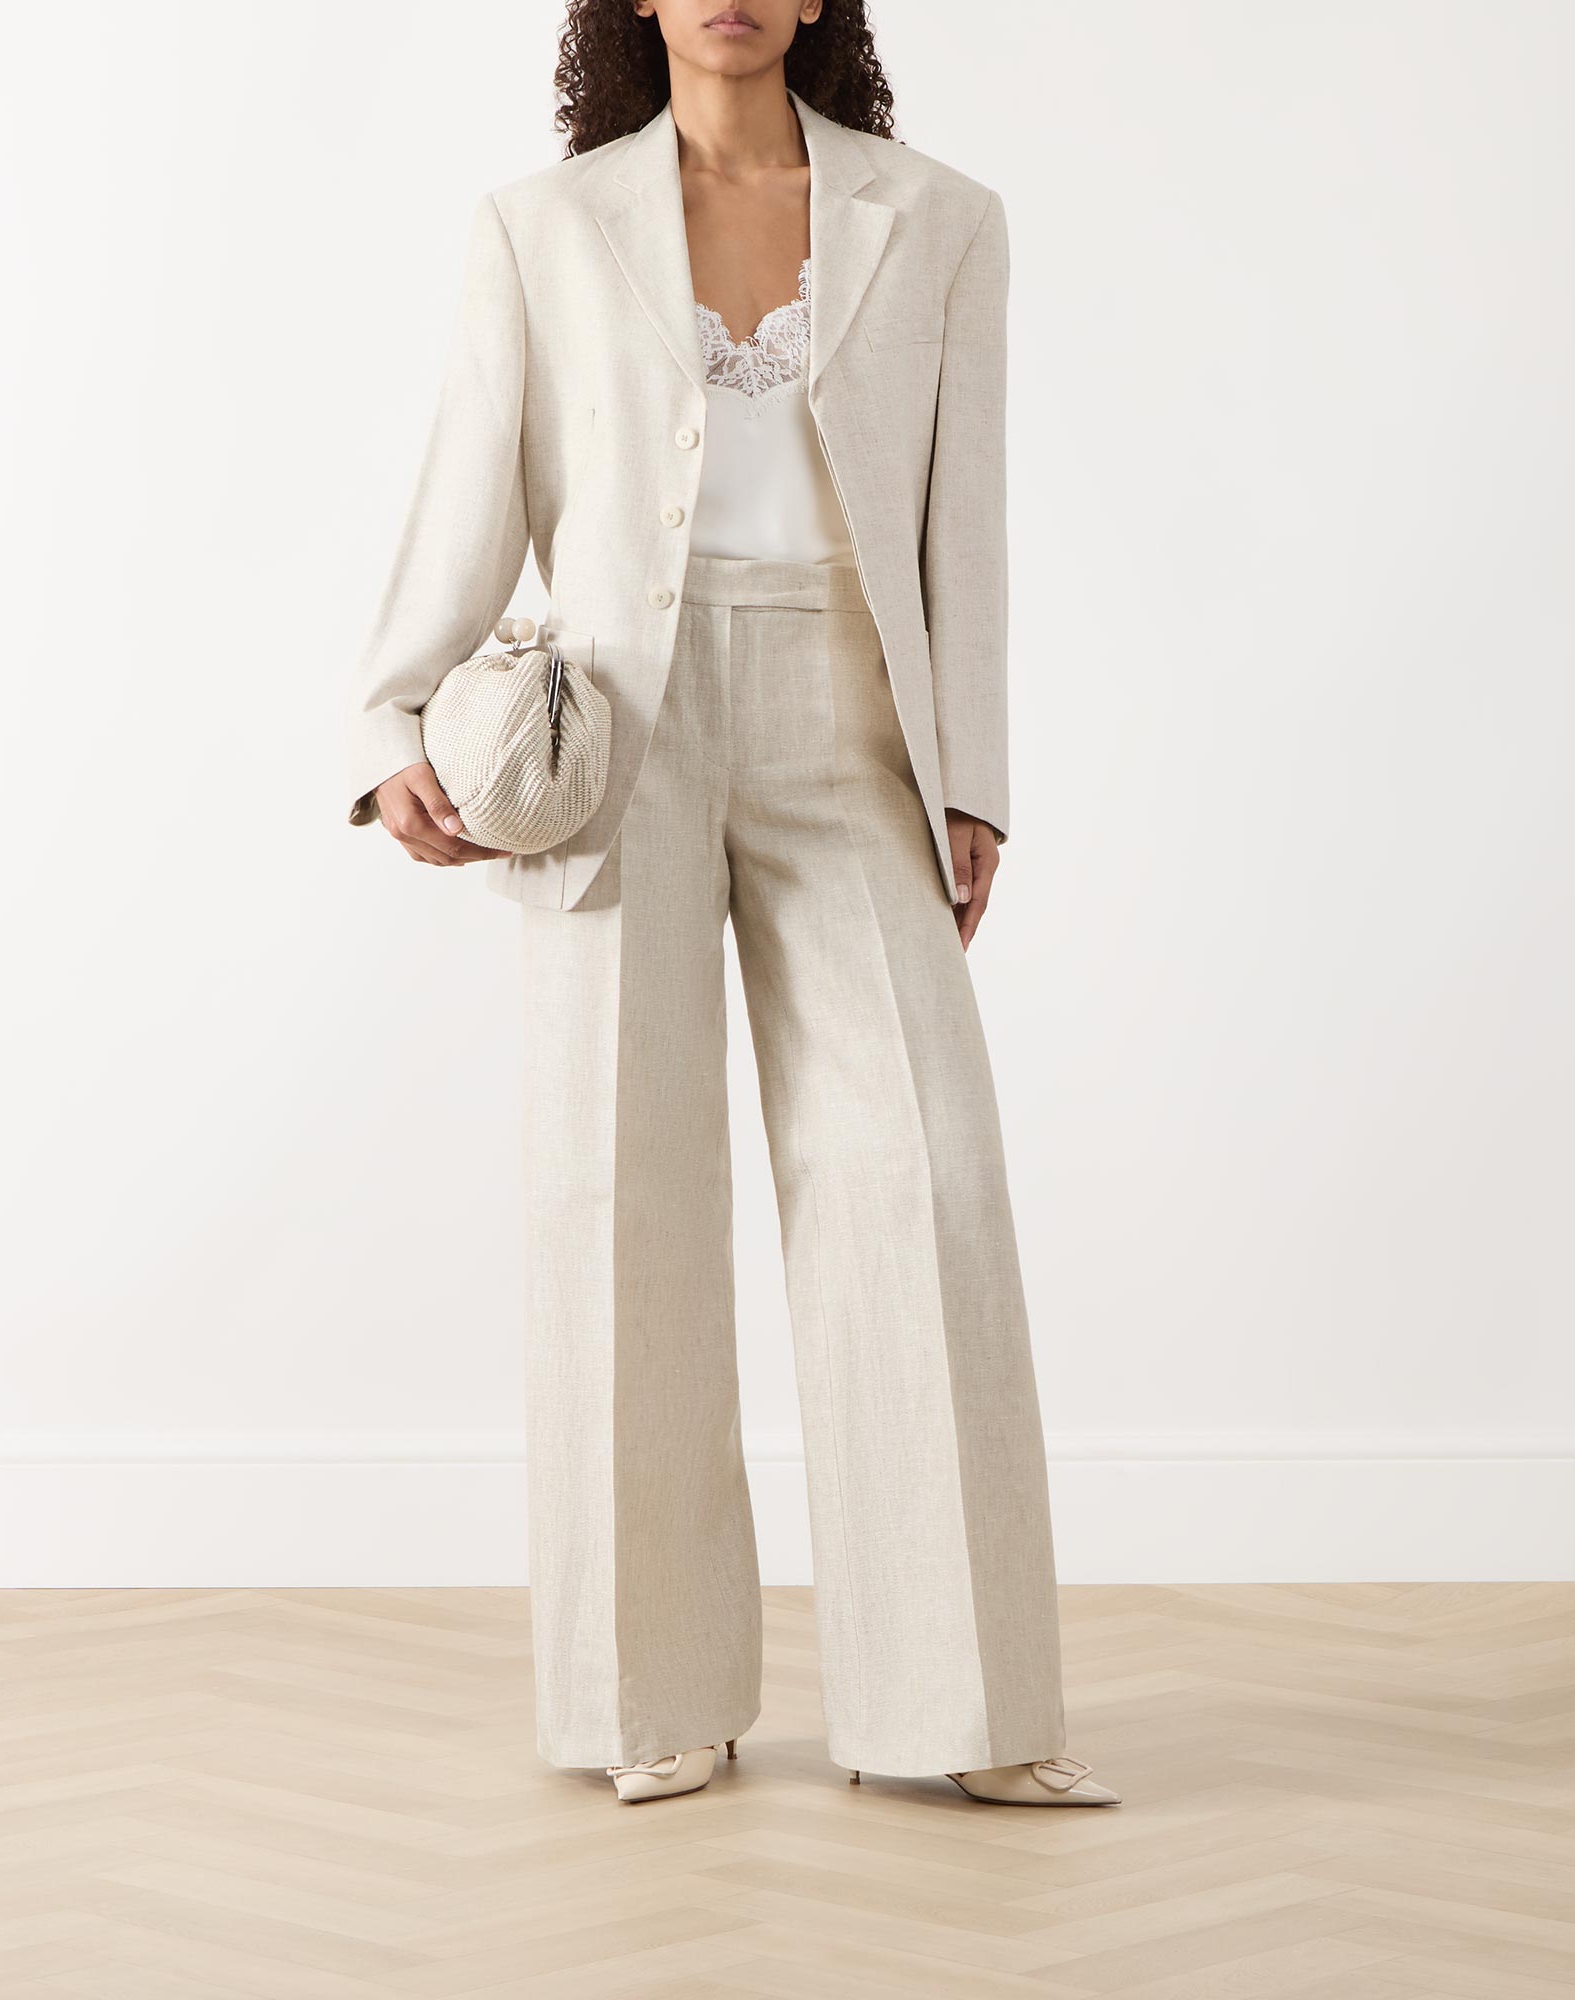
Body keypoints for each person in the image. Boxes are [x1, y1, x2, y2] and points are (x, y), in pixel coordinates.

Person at [346, 0, 1120, 1810]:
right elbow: (470, 485)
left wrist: (973, 776)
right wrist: (394, 728)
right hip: (614, 727)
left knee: (918, 1179)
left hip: (856, 721)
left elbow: (968, 516)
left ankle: (965, 1708)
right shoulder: (538, 231)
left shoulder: (943, 218)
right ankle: (652, 1697)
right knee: (621, 1194)